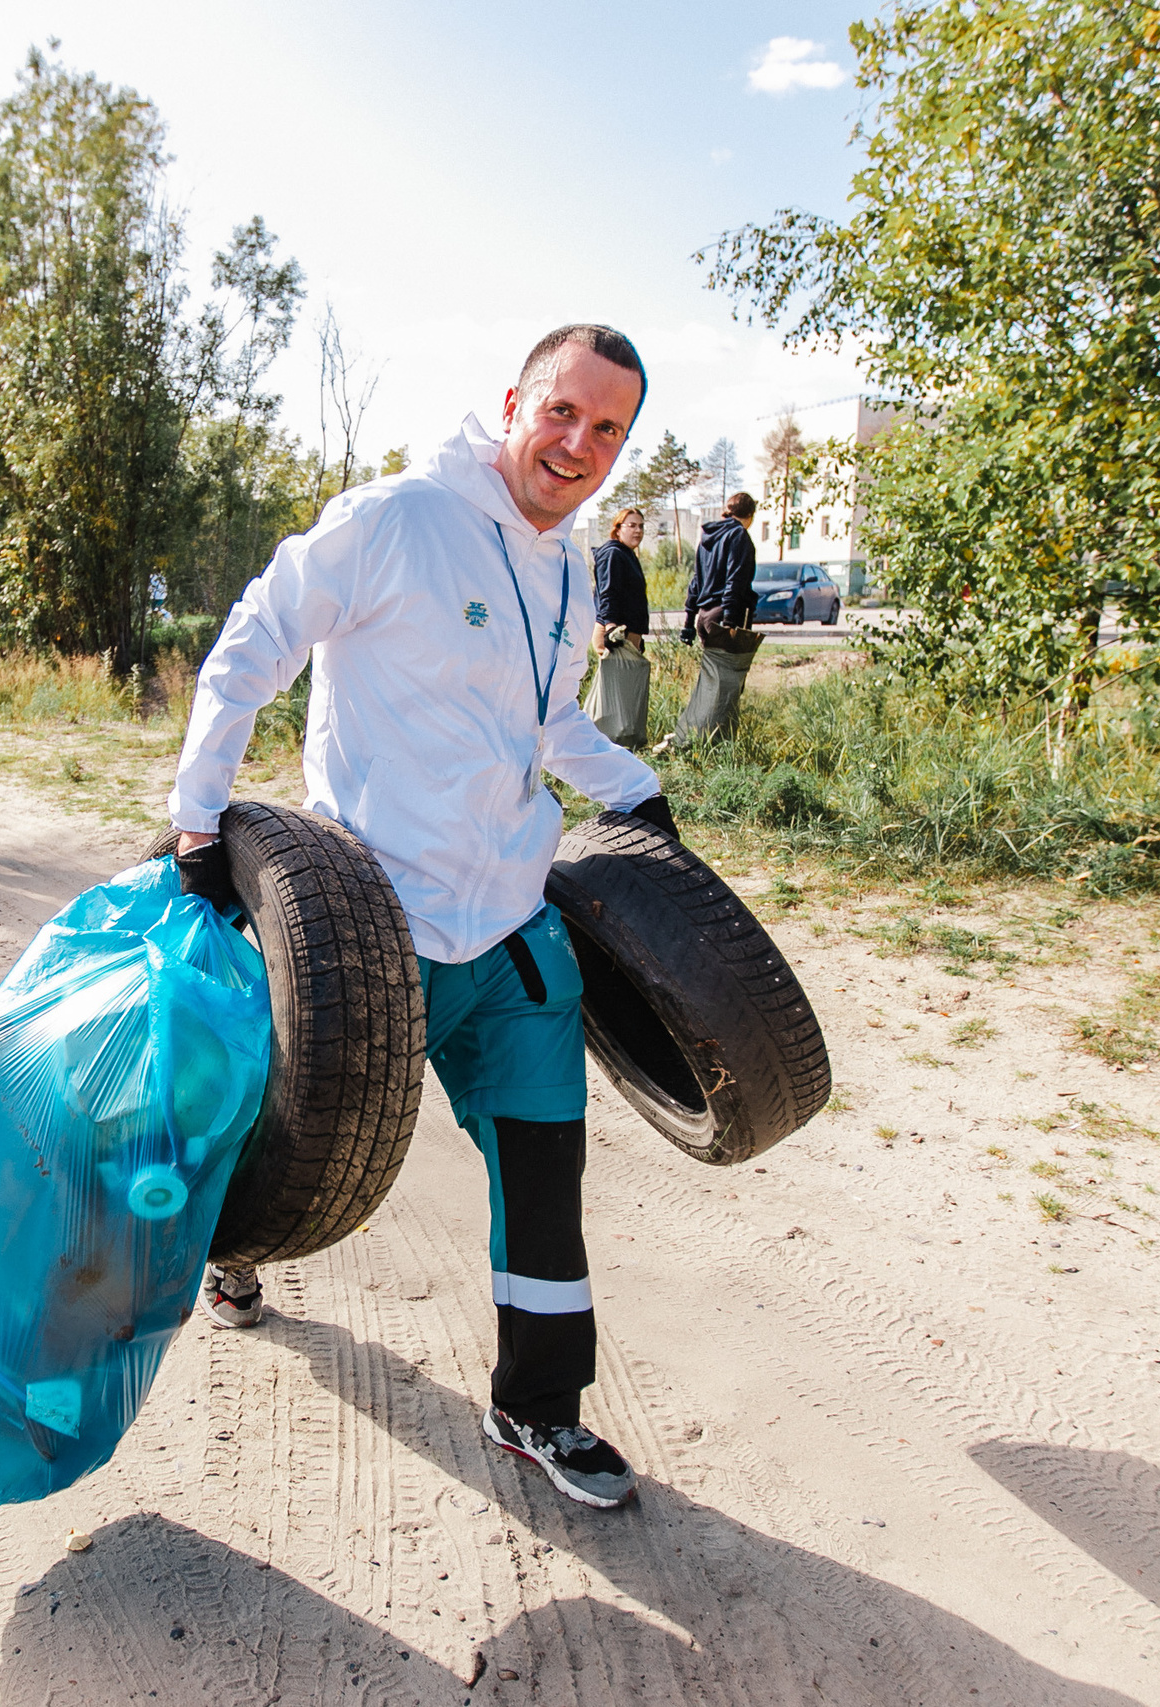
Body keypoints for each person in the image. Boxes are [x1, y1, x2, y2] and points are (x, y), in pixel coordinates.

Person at [165, 323, 694, 1511]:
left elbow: (546, 719)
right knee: (286, 1140)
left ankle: (539, 1406)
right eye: (562, 411)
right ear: (514, 403)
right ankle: (234, 1251)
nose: (578, 444)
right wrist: (199, 819)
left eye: (607, 429)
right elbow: (255, 641)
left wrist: (630, 788)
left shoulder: (567, 568)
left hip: (509, 924)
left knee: (544, 1164)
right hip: (367, 927)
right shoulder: (395, 518)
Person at [662, 491, 762, 751]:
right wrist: (729, 622)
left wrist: (689, 621)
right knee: (728, 685)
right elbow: (735, 581)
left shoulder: (707, 537)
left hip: (705, 616)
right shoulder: (739, 536)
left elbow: (696, 581)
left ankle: (697, 737)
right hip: (726, 616)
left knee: (711, 682)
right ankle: (713, 744)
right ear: (750, 515)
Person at [582, 506, 651, 747]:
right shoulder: (613, 554)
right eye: (632, 525)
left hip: (625, 634)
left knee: (621, 698)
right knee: (610, 700)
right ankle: (596, 744)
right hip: (615, 633)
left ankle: (615, 745)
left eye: (641, 526)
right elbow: (608, 593)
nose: (638, 531)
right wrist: (611, 628)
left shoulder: (626, 554)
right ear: (618, 529)